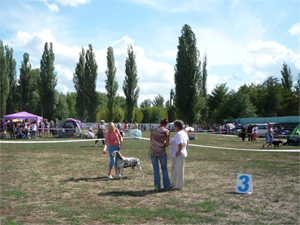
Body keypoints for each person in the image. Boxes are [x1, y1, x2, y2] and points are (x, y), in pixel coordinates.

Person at [149, 118, 170, 191]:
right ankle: (167, 186)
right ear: (166, 124)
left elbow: (151, 140)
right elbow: (167, 144)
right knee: (164, 169)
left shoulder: (153, 128)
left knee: (156, 169)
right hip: (162, 152)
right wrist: (162, 143)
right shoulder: (166, 132)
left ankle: (157, 187)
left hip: (153, 151)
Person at [170, 120, 189, 190]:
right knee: (173, 169)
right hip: (176, 155)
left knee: (179, 170)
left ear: (177, 126)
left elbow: (180, 143)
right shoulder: (183, 132)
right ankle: (173, 183)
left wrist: (179, 151)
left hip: (178, 155)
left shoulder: (179, 134)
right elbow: (187, 141)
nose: (174, 127)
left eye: (174, 126)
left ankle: (179, 186)